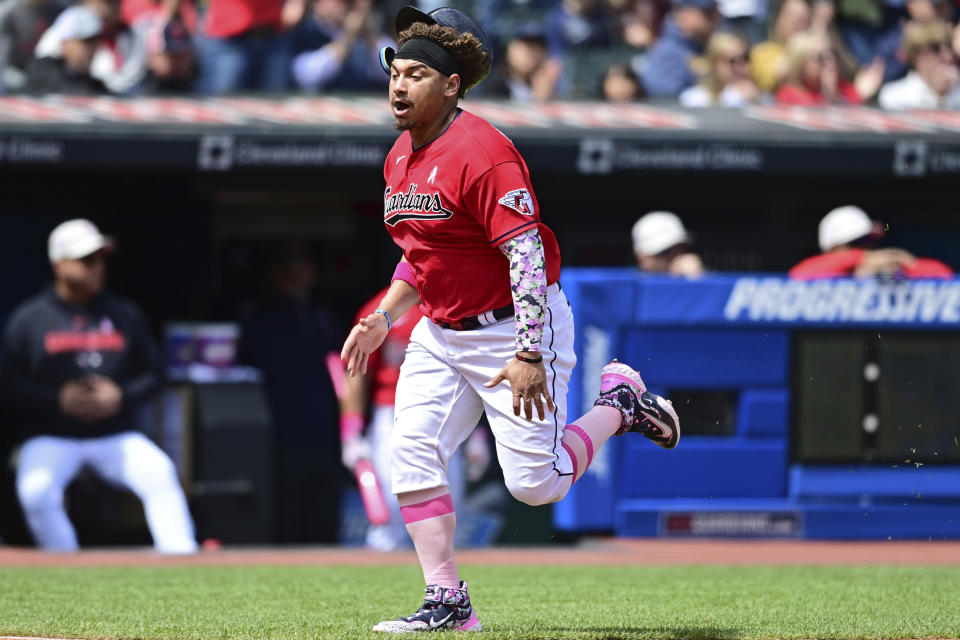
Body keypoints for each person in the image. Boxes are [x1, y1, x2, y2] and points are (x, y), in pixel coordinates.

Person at [340, 6, 680, 632]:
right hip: (442, 333)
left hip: (514, 326)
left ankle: (621, 406)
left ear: (451, 86)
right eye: (395, 70)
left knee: (535, 485)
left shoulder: (483, 150)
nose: (398, 83)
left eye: (416, 73)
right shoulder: (398, 157)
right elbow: (424, 256)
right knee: (409, 456)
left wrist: (528, 352)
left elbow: (523, 255)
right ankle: (447, 602)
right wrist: (385, 317)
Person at [0, 219, 197, 552]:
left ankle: (183, 560)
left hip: (114, 433)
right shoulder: (29, 319)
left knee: (159, 472)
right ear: (59, 265)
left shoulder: (124, 313)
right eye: (87, 260)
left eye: (101, 259)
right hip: (52, 433)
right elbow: (7, 384)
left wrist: (122, 396)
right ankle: (66, 567)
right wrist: (55, 400)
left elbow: (156, 374)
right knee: (36, 489)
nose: (98, 268)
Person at [238, 241, 342, 543]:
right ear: (274, 273)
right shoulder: (257, 319)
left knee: (323, 519)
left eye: (301, 263)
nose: (295, 272)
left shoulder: (326, 320)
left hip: (325, 432)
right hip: (279, 433)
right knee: (285, 519)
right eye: (286, 264)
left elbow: (344, 372)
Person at [789, 205, 953, 279]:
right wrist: (859, 260)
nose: (866, 248)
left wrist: (902, 264)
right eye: (856, 242)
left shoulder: (888, 266)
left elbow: (943, 273)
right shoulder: (818, 272)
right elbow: (798, 275)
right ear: (833, 248)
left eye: (867, 240)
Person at [290, 0, 391, 92]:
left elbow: (392, 72)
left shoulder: (369, 32)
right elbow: (307, 79)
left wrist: (369, 35)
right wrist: (348, 36)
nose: (351, 7)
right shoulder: (308, 30)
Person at [774, 29, 883, 104]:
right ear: (801, 64)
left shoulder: (842, 87)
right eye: (820, 57)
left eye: (832, 54)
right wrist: (830, 96)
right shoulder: (788, 95)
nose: (831, 62)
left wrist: (860, 92)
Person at [640, 0, 718, 98]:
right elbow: (663, 97)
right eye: (707, 13)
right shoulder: (667, 50)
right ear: (683, 14)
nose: (715, 17)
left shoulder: (708, 42)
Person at [25, 4, 109, 94]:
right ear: (64, 42)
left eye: (95, 41)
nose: (92, 48)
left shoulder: (89, 81)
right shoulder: (42, 69)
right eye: (85, 41)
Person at [878, 20, 960, 109]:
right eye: (936, 48)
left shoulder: (957, 92)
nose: (947, 56)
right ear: (915, 55)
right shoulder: (893, 95)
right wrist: (938, 98)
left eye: (949, 46)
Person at [679, 30, 760, 106]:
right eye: (732, 61)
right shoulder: (695, 98)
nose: (741, 67)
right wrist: (735, 97)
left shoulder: (760, 97)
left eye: (746, 58)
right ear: (714, 63)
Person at [632, 211, 704, 276]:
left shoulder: (692, 275)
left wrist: (697, 281)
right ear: (640, 256)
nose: (677, 257)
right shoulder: (625, 288)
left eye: (682, 248)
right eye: (665, 251)